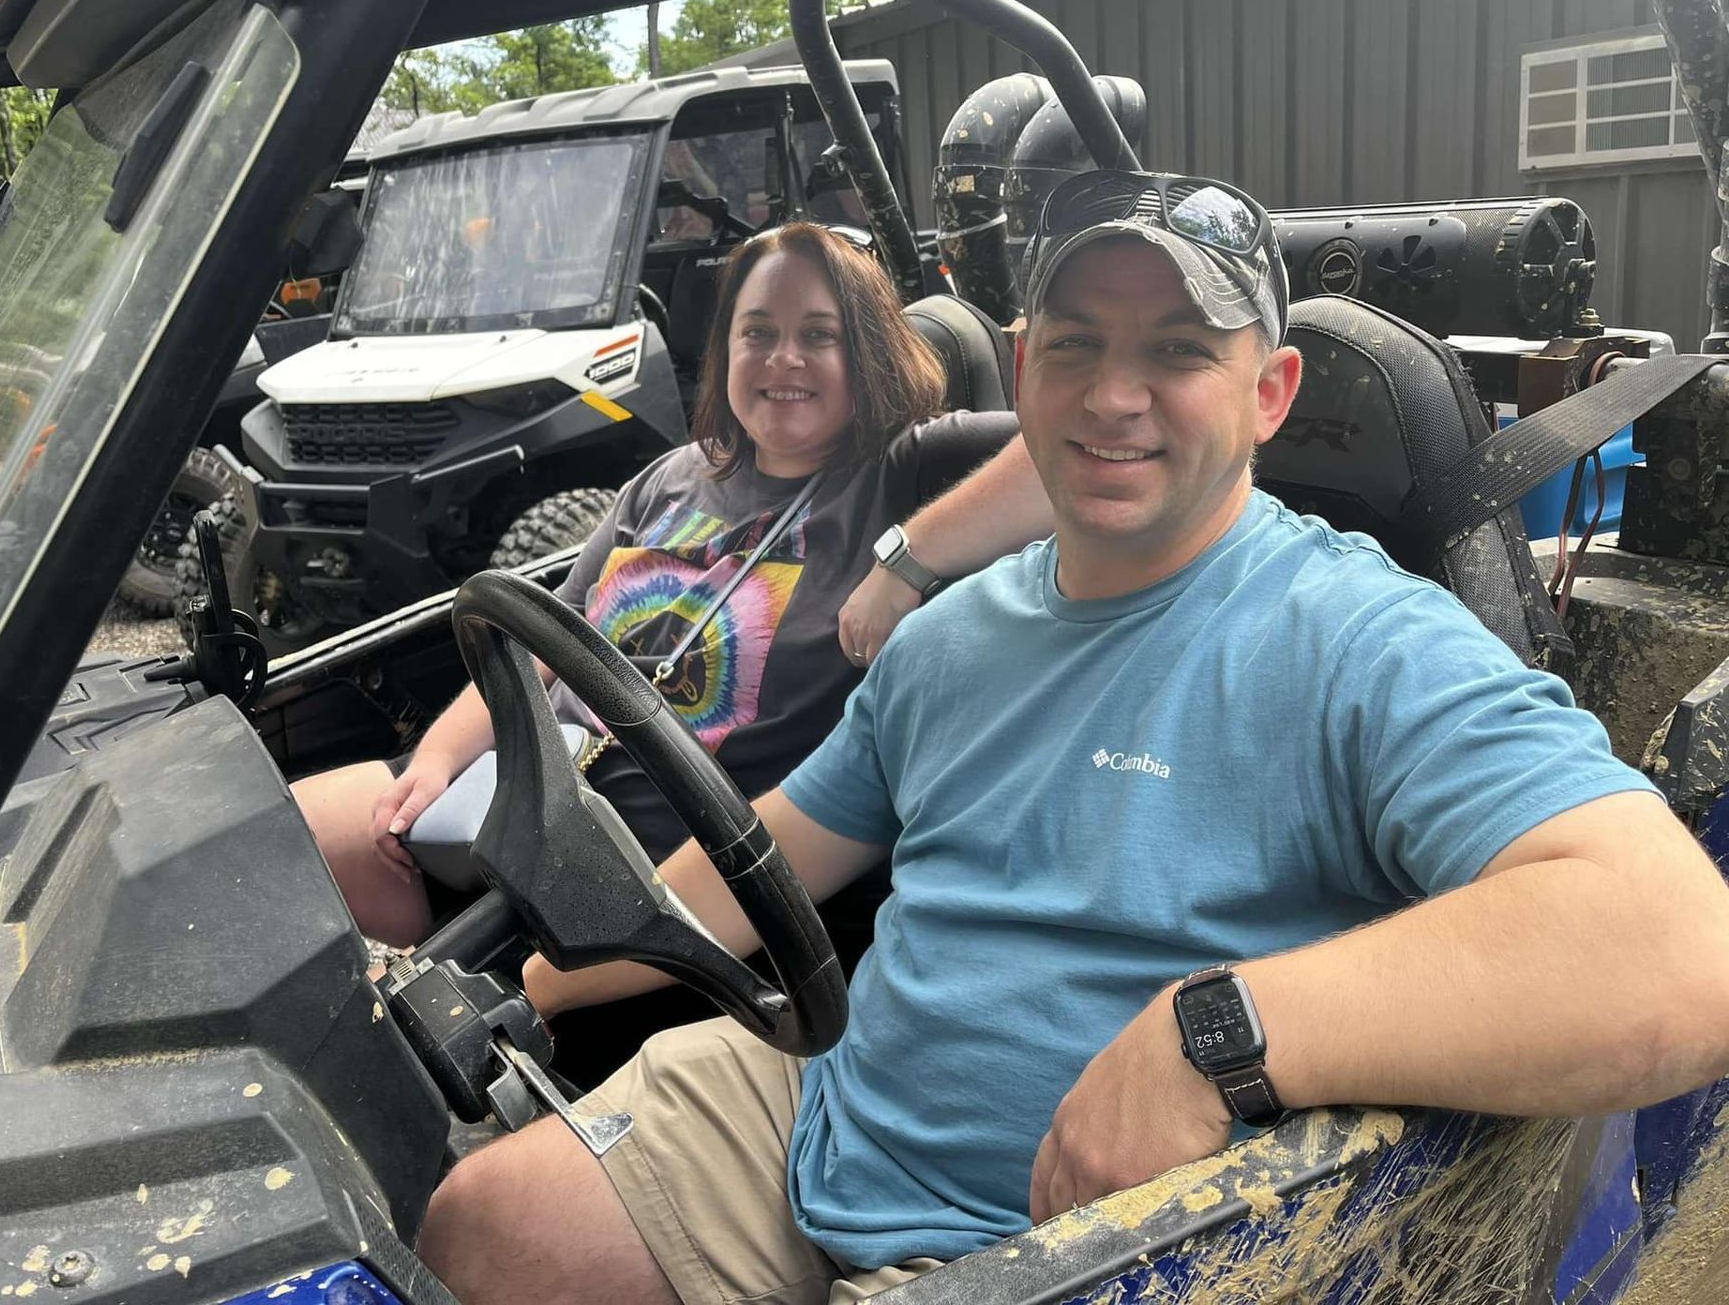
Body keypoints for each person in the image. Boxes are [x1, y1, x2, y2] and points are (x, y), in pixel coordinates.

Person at [419, 170, 1729, 1304]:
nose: (1115, 397)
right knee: (483, 1221)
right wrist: (489, 995)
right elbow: (753, 869)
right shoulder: (948, 638)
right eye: (1077, 346)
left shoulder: (1353, 643)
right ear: (1023, 360)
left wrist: (1220, 1031)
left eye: (1176, 351)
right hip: (827, 1106)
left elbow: (1679, 948)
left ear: (1270, 392)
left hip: (1067, 1244)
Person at [295, 221, 1031, 946]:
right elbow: (541, 641)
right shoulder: (667, 479)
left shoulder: (908, 468)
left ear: (867, 351)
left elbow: (1081, 448)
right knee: (263, 852)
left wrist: (909, 557)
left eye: (818, 335)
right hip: (515, 796)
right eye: (757, 332)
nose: (783, 359)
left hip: (668, 879)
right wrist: (433, 761)